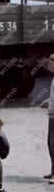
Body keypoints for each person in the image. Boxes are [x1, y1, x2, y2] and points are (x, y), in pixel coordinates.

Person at [42, 54, 54, 183]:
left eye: (50, 63)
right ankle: (53, 172)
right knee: (51, 144)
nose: (48, 66)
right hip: (52, 114)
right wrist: (48, 101)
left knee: (53, 144)